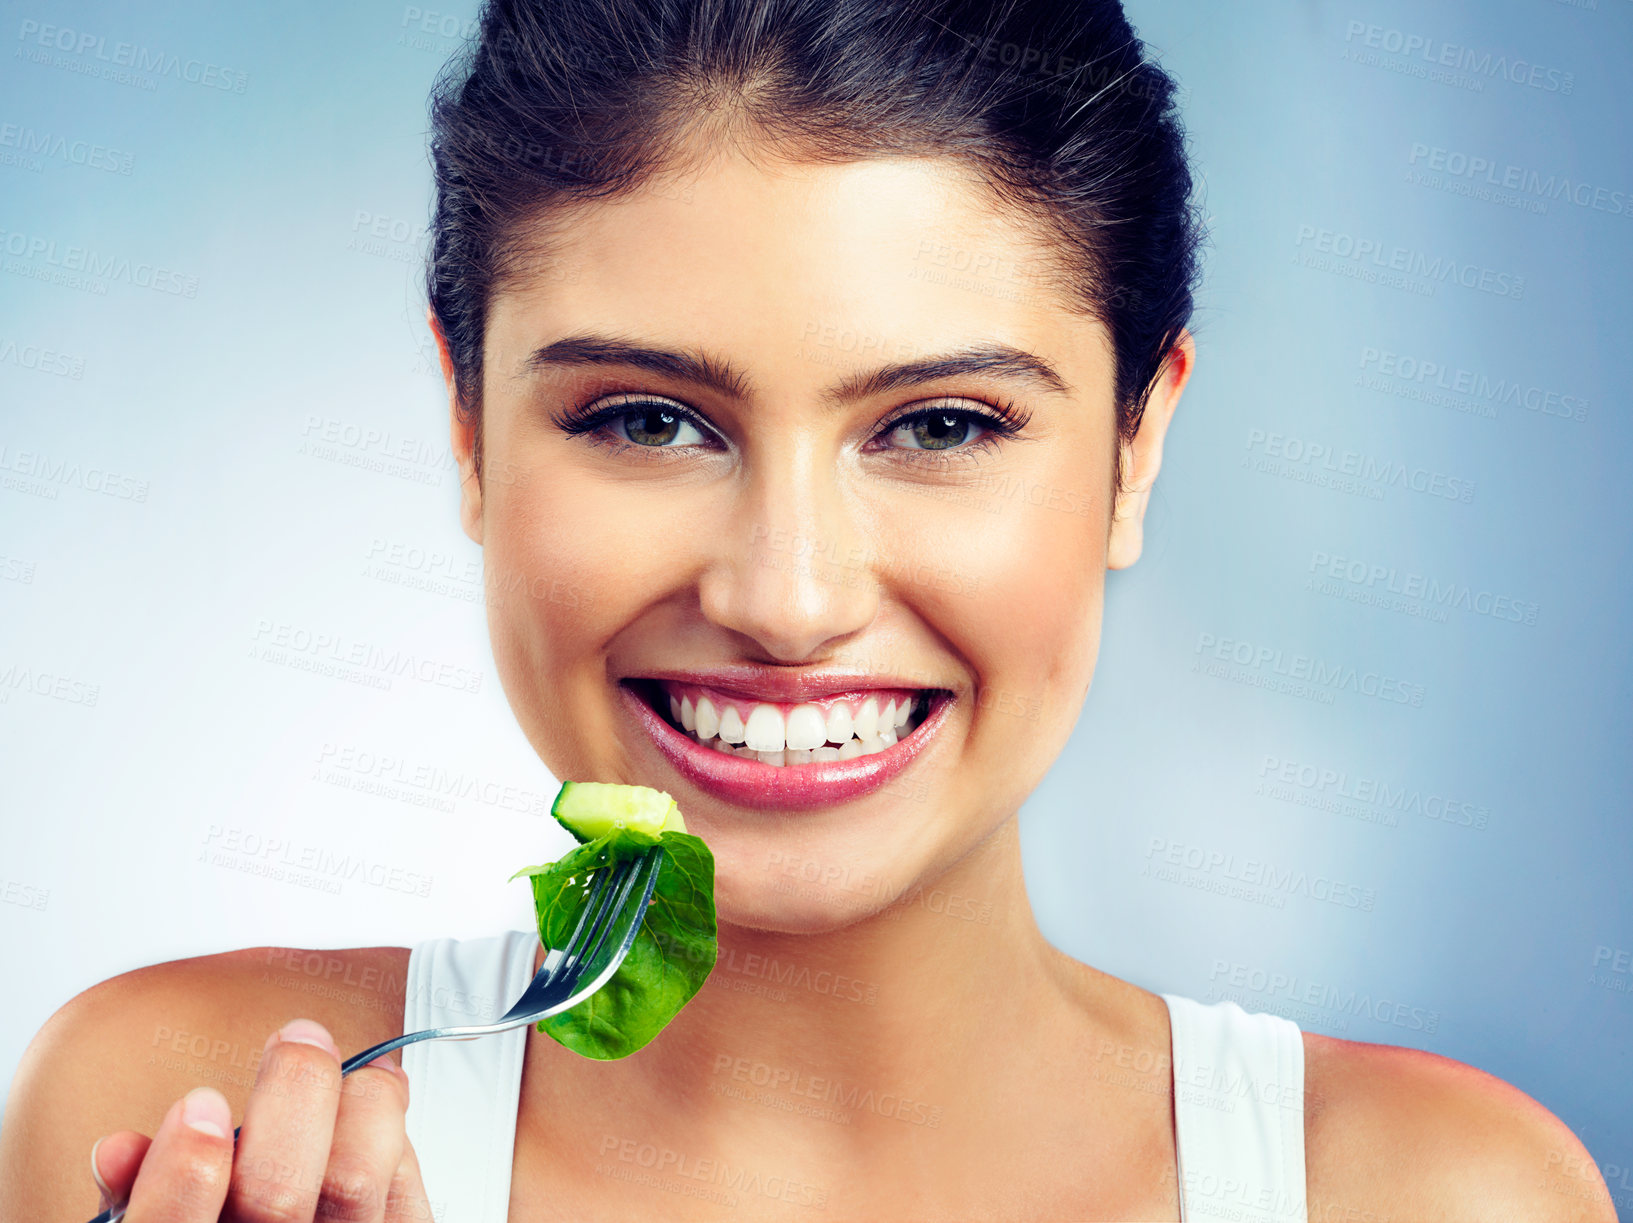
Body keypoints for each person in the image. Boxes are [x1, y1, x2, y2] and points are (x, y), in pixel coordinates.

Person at [0, 0, 1614, 1219]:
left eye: (941, 426)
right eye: (646, 419)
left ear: (1137, 449)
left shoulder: (1433, 1196)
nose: (785, 597)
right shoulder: (179, 1116)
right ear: (467, 425)